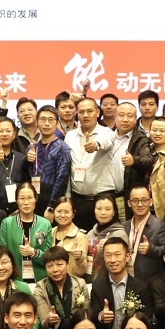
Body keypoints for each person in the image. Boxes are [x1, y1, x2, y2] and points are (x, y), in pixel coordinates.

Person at [66, 98, 118, 231]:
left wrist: (95, 145)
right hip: (78, 198)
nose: (85, 115)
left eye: (89, 111)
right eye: (81, 112)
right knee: (80, 238)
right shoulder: (70, 136)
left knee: (104, 238)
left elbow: (106, 142)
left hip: (102, 198)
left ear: (98, 112)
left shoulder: (107, 132)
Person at [90, 237, 153, 329]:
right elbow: (93, 315)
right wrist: (101, 317)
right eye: (108, 255)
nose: (112, 260)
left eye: (117, 255)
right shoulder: (98, 286)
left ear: (127, 257)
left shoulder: (141, 287)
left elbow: (147, 320)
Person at [33, 246, 90, 329]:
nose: (55, 270)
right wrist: (49, 321)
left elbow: (86, 314)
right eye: (50, 266)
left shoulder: (80, 283)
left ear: (67, 264)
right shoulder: (40, 288)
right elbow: (44, 325)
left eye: (59, 265)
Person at [0, 182, 52, 282]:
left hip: (40, 279)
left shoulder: (45, 224)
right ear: (16, 200)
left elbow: (49, 257)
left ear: (36, 199)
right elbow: (2, 253)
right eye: (22, 198)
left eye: (30, 198)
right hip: (15, 277)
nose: (26, 202)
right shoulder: (7, 223)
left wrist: (33, 252)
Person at [123, 182, 165, 280]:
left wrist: (151, 249)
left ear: (151, 202)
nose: (140, 204)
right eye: (135, 201)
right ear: (129, 203)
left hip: (149, 281)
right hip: (126, 278)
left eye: (144, 200)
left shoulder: (160, 226)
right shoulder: (124, 226)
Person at [32, 105, 72, 218]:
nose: (46, 123)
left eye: (51, 120)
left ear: (57, 123)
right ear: (37, 122)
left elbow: (62, 179)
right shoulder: (33, 148)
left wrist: (51, 206)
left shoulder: (62, 148)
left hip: (52, 204)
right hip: (33, 202)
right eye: (43, 119)